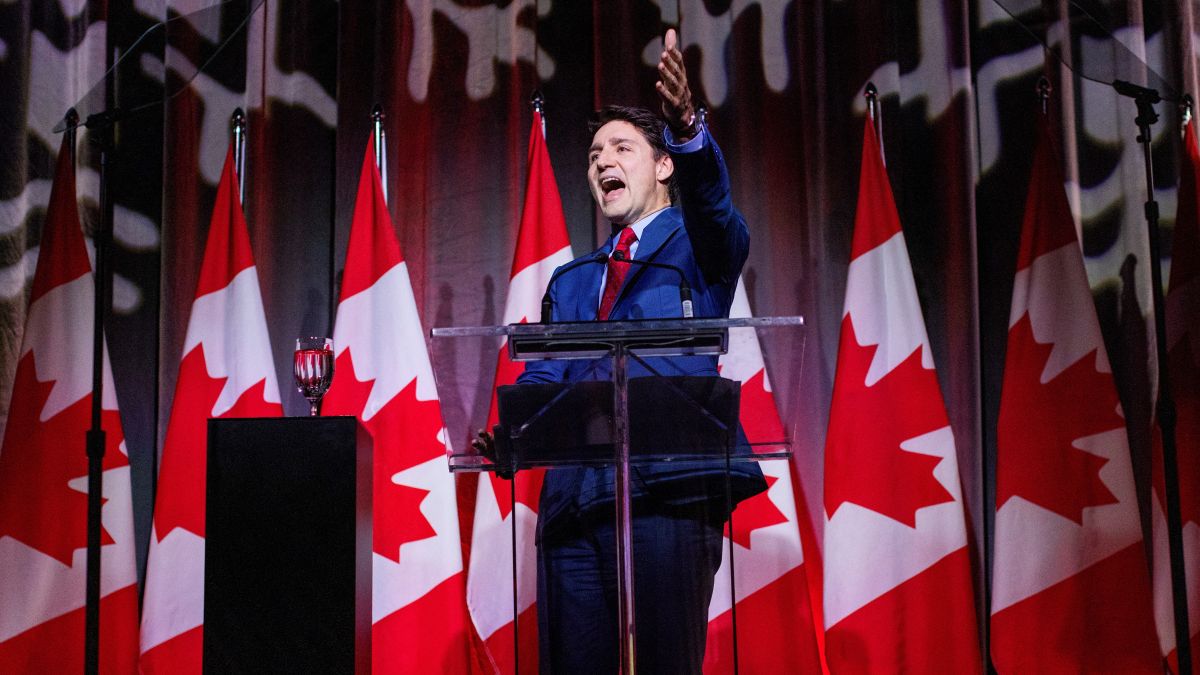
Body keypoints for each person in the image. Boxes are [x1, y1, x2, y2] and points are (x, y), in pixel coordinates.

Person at [479, 29, 765, 674]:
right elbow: (548, 375)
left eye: (621, 147)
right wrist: (519, 436)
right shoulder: (572, 279)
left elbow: (715, 206)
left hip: (667, 493)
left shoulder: (703, 247)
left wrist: (688, 126)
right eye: (593, 154)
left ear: (664, 165)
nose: (602, 161)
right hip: (573, 506)